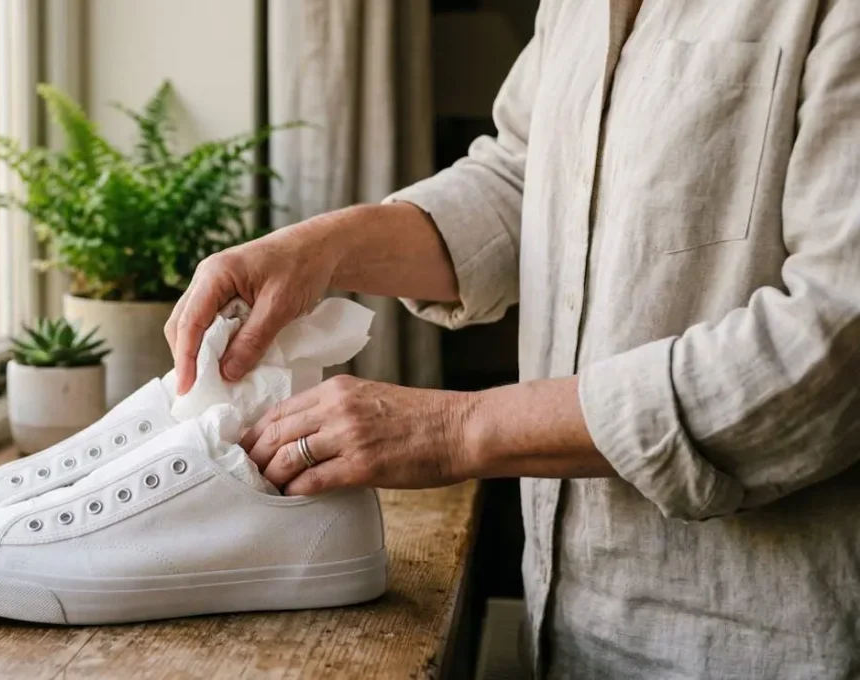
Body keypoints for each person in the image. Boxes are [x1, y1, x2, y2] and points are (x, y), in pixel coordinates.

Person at [164, 1, 860, 677]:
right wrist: (323, 247)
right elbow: (525, 180)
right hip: (568, 619)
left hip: (767, 635)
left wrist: (458, 429)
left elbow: (832, 342)